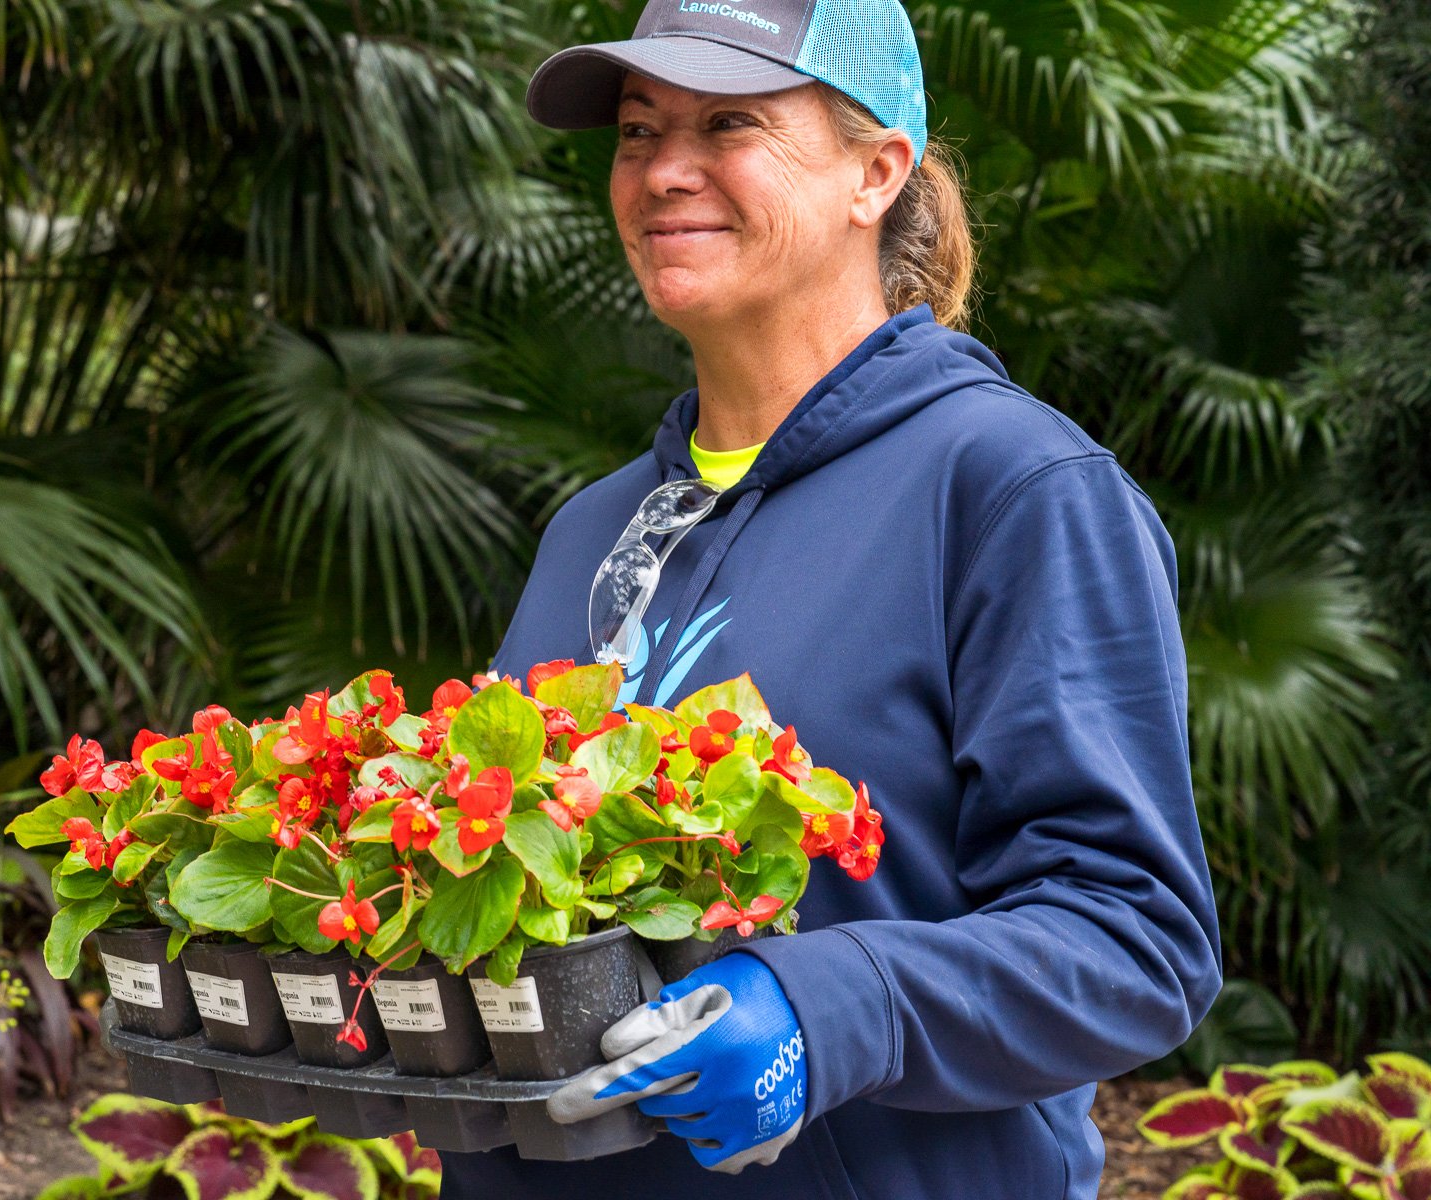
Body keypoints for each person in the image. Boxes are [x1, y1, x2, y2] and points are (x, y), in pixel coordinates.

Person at [439, 0, 1223, 1197]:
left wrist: (834, 1006)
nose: (664, 172)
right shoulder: (591, 527)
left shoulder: (1013, 492)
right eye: (640, 131)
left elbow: (1135, 941)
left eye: (730, 122)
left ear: (876, 171)